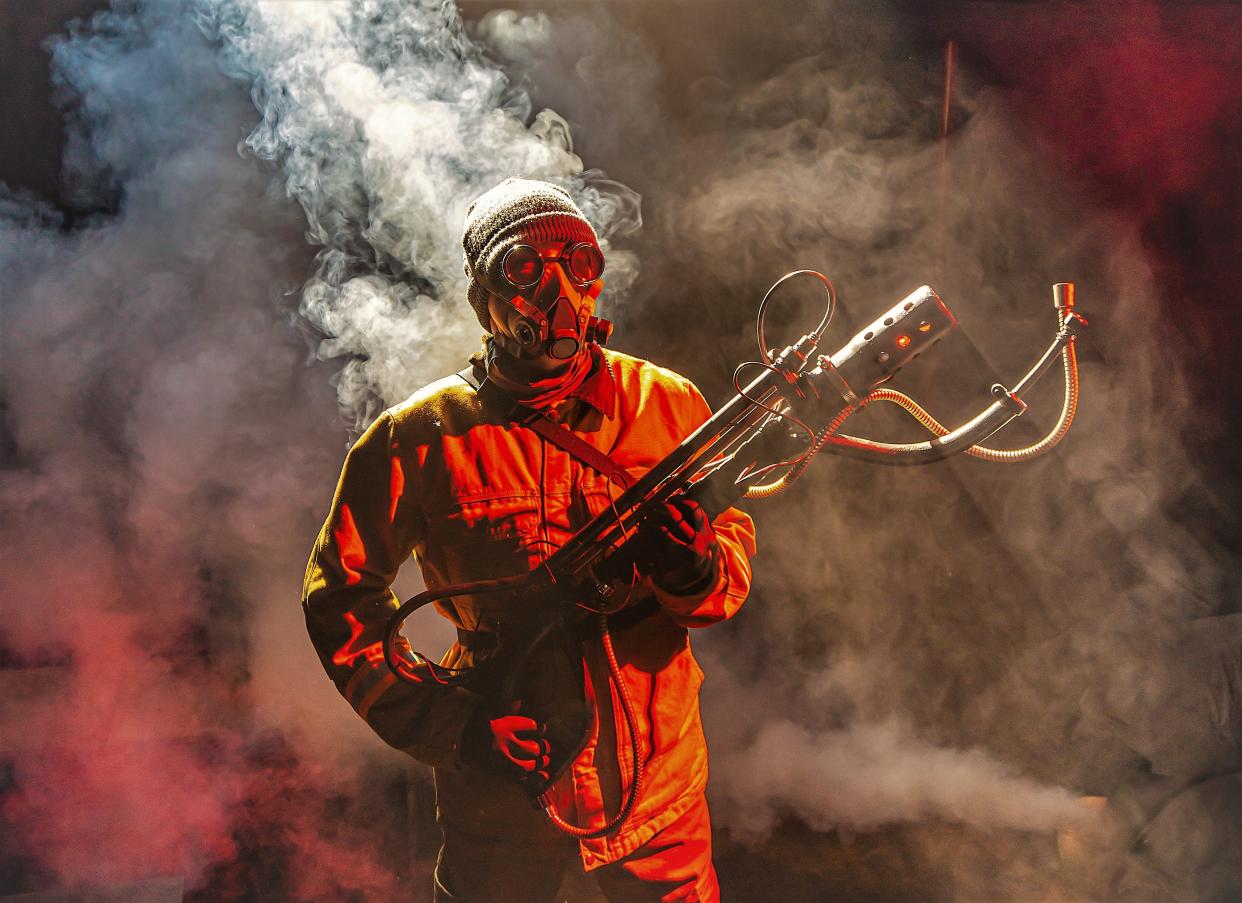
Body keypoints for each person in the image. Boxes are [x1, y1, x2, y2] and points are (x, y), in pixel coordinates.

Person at [302, 178, 756, 902]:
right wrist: (455, 725)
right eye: (525, 269)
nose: (558, 295)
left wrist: (695, 565)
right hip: (505, 767)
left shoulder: (667, 407)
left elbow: (725, 569)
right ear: (484, 297)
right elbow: (339, 596)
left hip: (654, 772)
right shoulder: (418, 437)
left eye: (578, 266)